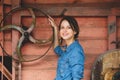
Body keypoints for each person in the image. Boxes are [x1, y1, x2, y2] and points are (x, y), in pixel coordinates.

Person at [48, 16, 85, 80]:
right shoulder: (66, 48)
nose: (65, 30)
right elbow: (57, 48)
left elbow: (77, 77)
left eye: (69, 27)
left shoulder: (76, 51)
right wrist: (55, 28)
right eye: (62, 27)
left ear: (75, 31)